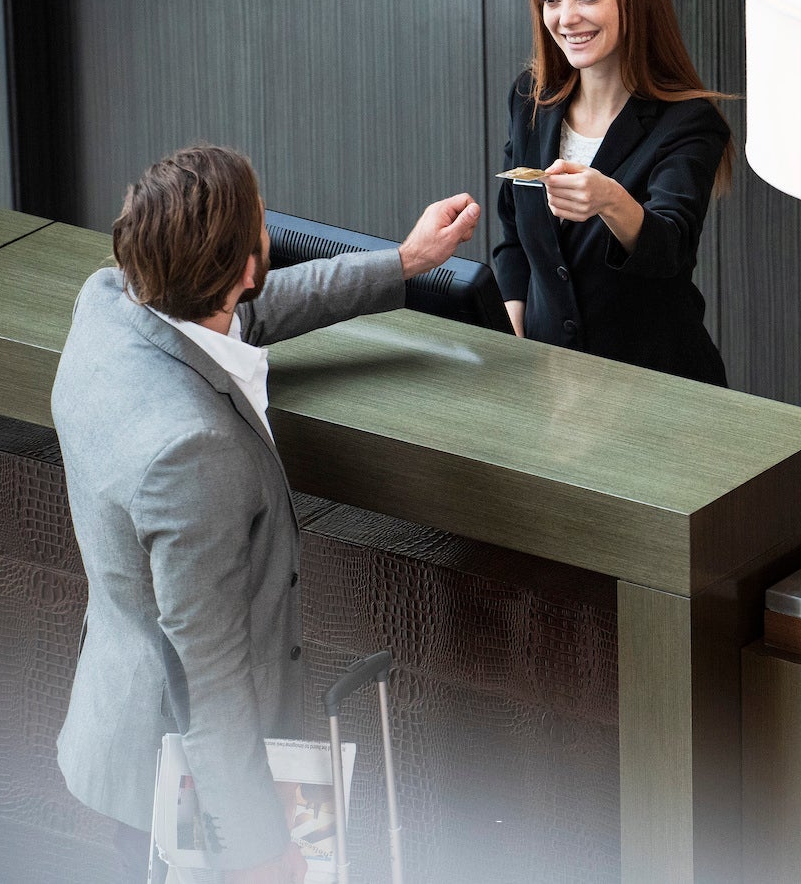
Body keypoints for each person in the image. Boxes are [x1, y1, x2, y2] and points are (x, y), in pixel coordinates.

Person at [51, 145, 480, 884]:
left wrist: (405, 261)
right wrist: (256, 848)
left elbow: (251, 314)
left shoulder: (109, 302)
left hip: (120, 728)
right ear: (247, 266)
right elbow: (207, 676)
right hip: (194, 778)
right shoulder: (193, 453)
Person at [493, 0, 732, 385]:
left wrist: (610, 200)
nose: (566, 18)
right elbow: (514, 236)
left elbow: (671, 250)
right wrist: (512, 323)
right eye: (551, 0)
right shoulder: (530, 98)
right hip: (548, 385)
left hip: (656, 389)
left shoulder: (689, 123)